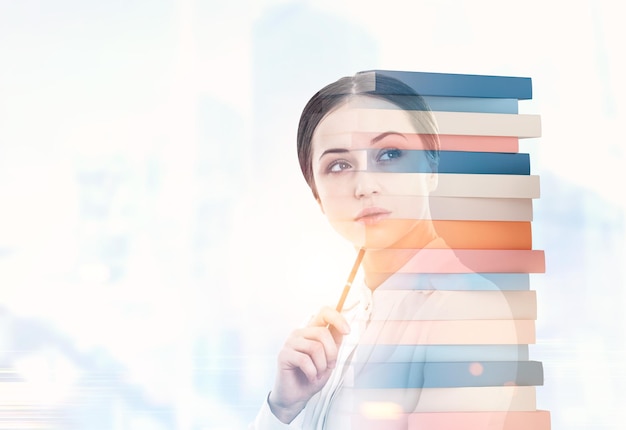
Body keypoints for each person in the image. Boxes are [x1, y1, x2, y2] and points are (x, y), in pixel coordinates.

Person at [250, 71, 521, 429]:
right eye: (339, 165)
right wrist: (284, 408)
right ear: (317, 195)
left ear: (431, 166)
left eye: (390, 153)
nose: (364, 186)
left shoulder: (469, 310)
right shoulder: (326, 328)